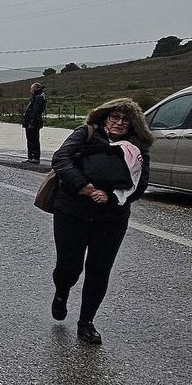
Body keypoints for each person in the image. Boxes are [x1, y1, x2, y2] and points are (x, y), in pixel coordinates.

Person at [48, 98, 153, 344]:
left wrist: (112, 196)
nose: (119, 123)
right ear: (105, 117)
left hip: (112, 217)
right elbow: (61, 159)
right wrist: (84, 186)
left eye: (125, 120)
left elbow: (140, 185)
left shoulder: (138, 149)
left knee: (99, 270)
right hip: (72, 211)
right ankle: (62, 292)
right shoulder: (86, 134)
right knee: (69, 267)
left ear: (133, 125)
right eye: (114, 117)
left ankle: (86, 323)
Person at [21, 82, 47, 163]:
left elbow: (36, 111)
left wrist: (32, 122)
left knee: (33, 139)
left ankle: (34, 158)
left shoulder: (38, 98)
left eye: (31, 89)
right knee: (31, 139)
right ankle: (31, 157)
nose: (30, 91)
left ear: (35, 89)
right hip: (31, 121)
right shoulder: (37, 97)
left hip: (33, 122)